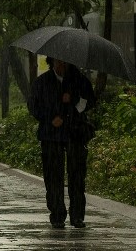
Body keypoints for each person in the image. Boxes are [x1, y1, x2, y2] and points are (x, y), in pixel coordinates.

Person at [29, 57, 95, 229]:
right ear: (52, 63)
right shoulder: (42, 82)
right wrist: (50, 118)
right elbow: (33, 106)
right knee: (53, 177)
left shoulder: (79, 80)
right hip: (51, 135)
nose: (62, 66)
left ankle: (77, 216)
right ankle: (57, 215)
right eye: (58, 62)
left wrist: (72, 101)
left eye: (65, 62)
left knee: (77, 176)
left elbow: (89, 101)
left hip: (75, 133)